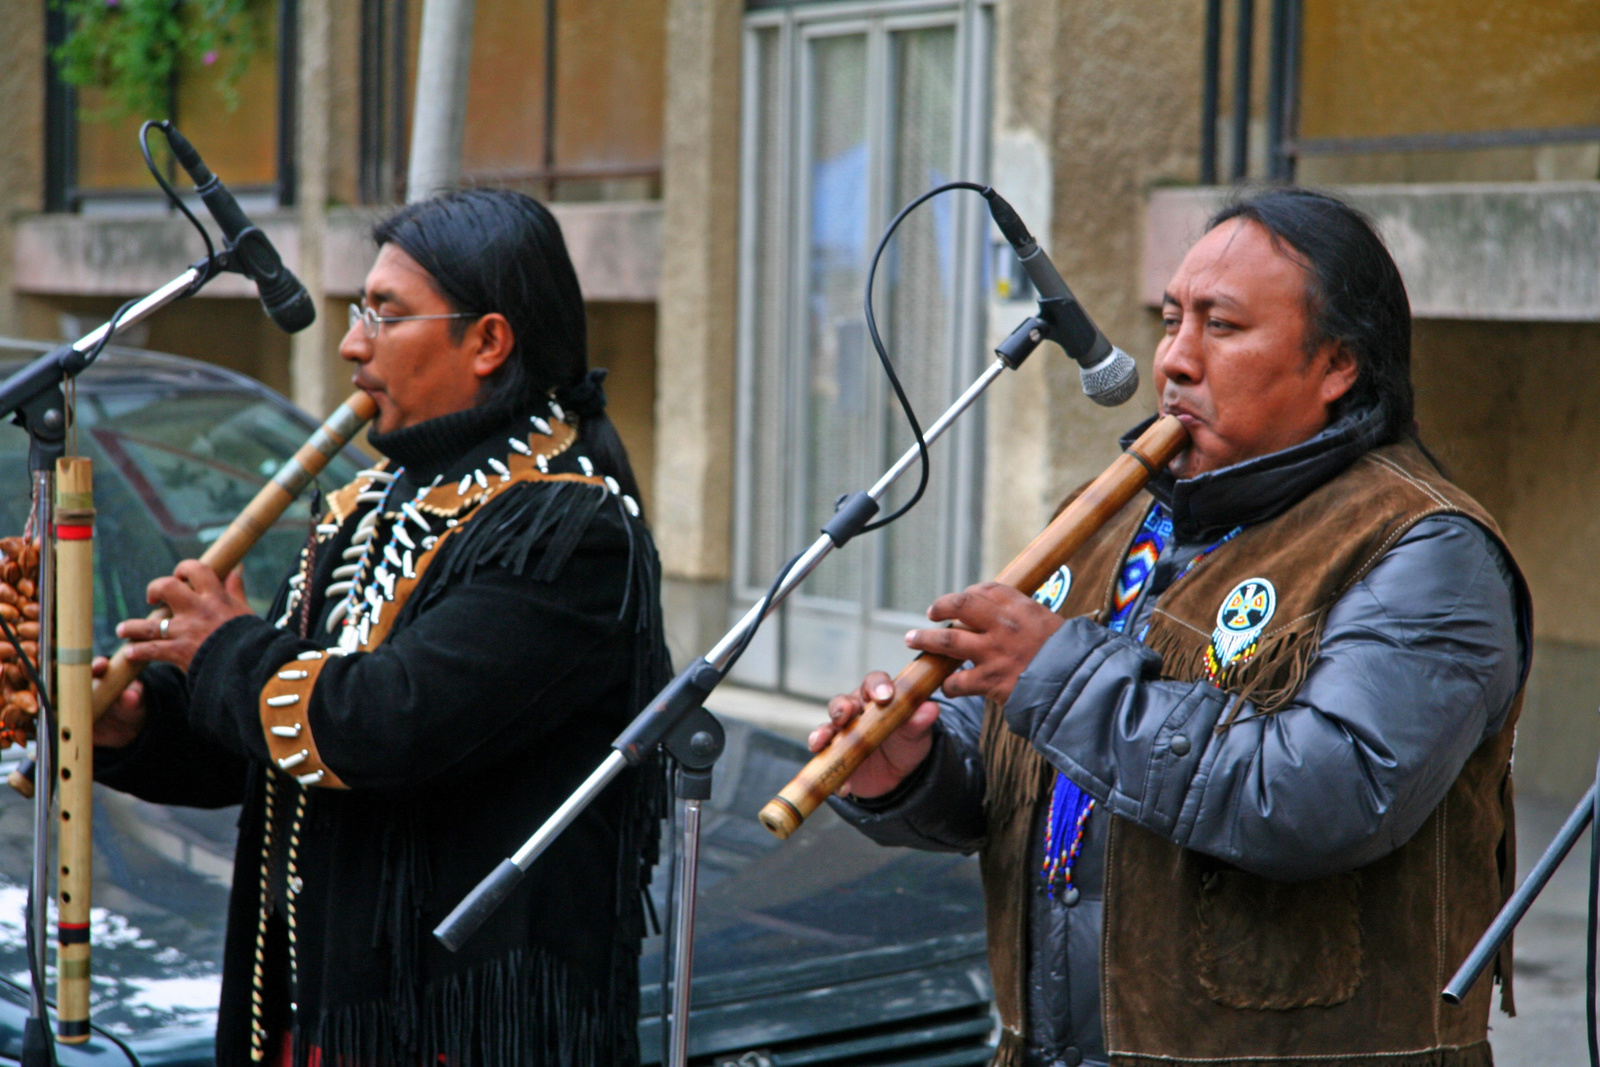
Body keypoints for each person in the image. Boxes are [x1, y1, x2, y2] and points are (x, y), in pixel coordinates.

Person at [811, 188, 1530, 1067]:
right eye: (1170, 319)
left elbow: (1321, 797)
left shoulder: (1423, 548)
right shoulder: (1117, 517)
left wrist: (1053, 674)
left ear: (1337, 364)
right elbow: (1038, 763)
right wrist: (915, 767)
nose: (1174, 361)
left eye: (1221, 327)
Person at [92, 189, 669, 1067]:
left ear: (488, 342)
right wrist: (139, 719)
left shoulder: (569, 531)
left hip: (460, 1032)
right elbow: (275, 744)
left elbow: (386, 725)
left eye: (385, 315)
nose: (352, 341)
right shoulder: (368, 503)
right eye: (361, 310)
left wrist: (223, 647)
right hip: (319, 1008)